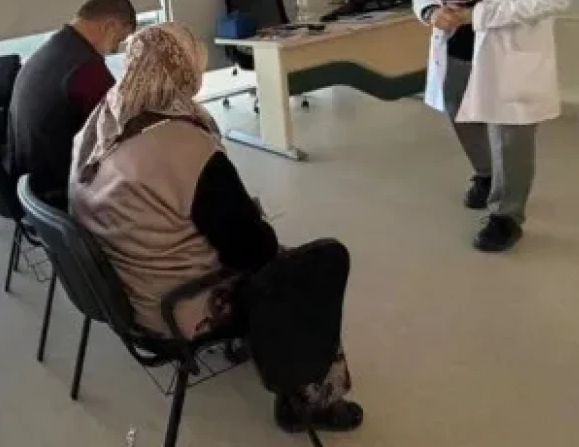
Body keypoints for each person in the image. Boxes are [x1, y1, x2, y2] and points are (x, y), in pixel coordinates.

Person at [69, 23, 363, 434]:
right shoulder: (184, 147)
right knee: (311, 267)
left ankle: (256, 343)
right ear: (185, 71)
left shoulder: (102, 122)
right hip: (175, 305)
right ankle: (313, 401)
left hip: (124, 285)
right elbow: (254, 251)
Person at [413, 0, 571, 252]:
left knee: (509, 136)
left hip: (508, 55)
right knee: (460, 114)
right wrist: (431, 12)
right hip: (455, 48)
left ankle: (507, 216)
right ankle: (485, 175)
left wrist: (476, 15)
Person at [7, 0, 137, 208]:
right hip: (60, 194)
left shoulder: (48, 52)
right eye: (119, 40)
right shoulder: (85, 70)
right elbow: (118, 137)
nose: (114, 49)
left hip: (30, 187)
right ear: (110, 26)